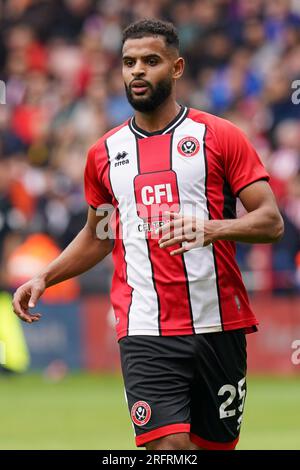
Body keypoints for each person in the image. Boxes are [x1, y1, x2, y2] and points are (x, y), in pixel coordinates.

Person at [12, 19, 284, 451]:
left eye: (150, 61)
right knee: (169, 449)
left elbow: (271, 221)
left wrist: (210, 228)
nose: (137, 70)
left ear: (176, 68)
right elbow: (99, 235)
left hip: (218, 324)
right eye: (129, 62)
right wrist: (47, 276)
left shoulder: (220, 136)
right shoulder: (104, 154)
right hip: (144, 329)